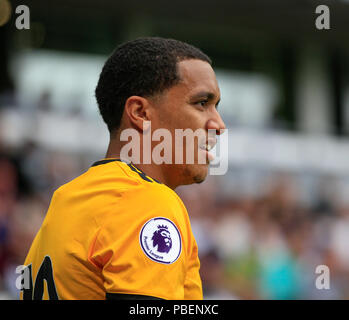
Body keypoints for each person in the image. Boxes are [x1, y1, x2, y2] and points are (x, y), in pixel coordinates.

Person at [20, 37, 225, 300]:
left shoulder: (67, 198)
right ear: (140, 112)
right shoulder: (145, 200)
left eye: (216, 106)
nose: (218, 124)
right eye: (201, 103)